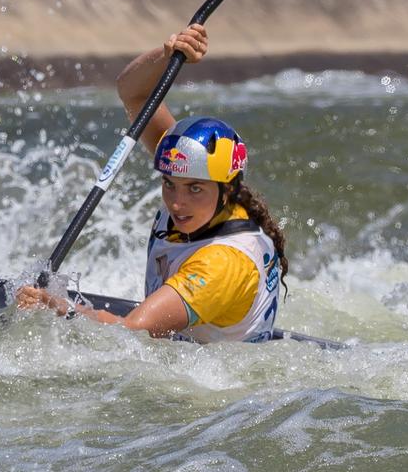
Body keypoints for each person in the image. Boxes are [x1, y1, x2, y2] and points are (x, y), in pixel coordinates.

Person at [17, 24, 288, 343]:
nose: (176, 202)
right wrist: (168, 53)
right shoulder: (197, 180)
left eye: (194, 188)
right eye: (169, 183)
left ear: (227, 189)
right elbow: (134, 93)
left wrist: (57, 307)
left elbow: (128, 333)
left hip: (215, 389)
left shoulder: (223, 263)